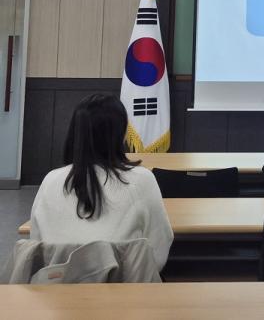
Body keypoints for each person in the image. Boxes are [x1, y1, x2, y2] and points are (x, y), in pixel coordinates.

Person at [29, 94, 173, 270]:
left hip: (56, 282)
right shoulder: (142, 180)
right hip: (124, 283)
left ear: (75, 133)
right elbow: (159, 247)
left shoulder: (51, 179)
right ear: (121, 134)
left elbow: (36, 242)